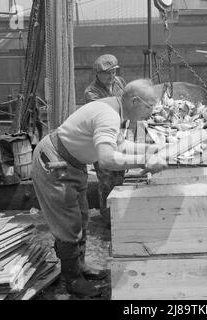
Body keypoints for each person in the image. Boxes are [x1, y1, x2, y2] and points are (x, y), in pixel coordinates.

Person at [31, 79, 167, 298]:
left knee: (81, 216)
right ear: (135, 101)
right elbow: (105, 159)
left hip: (70, 163)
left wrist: (150, 148)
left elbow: (119, 145)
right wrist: (144, 161)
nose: (150, 113)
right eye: (149, 106)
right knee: (69, 223)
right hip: (55, 163)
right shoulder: (109, 115)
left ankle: (80, 266)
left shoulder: (115, 108)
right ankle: (72, 279)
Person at [84, 54, 127, 225]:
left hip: (119, 136)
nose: (112, 77)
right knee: (106, 179)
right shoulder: (91, 92)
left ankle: (118, 211)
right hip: (103, 140)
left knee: (120, 175)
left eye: (114, 72)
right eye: (108, 73)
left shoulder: (119, 83)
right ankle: (108, 217)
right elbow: (106, 113)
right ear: (98, 74)